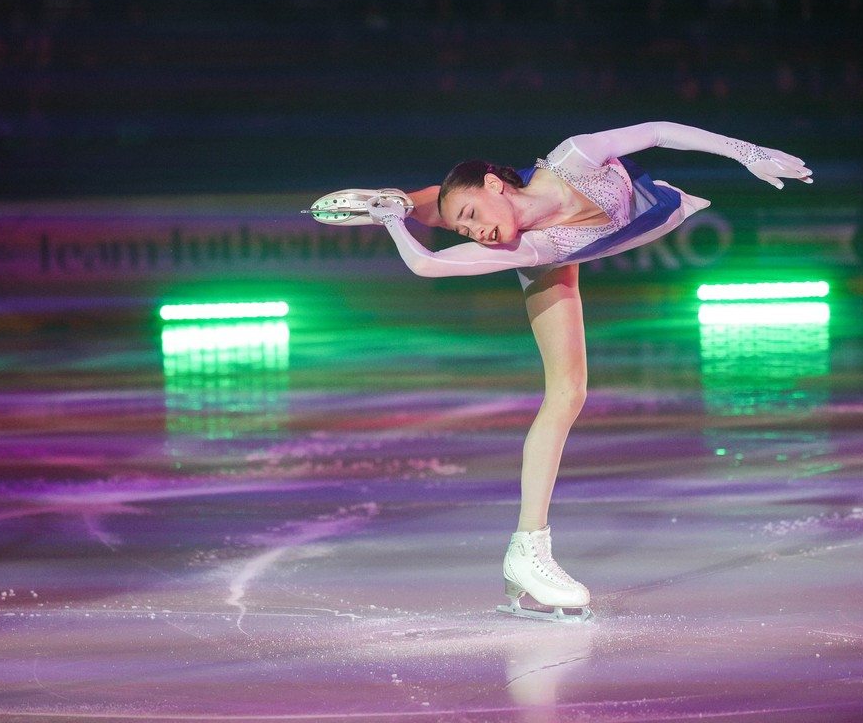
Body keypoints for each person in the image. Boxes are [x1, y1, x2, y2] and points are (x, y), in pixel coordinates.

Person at [306, 121, 813, 621]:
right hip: (554, 249)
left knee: (448, 203)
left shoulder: (576, 157)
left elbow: (660, 131)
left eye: (472, 217)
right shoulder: (527, 246)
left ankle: (397, 200)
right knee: (567, 392)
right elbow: (426, 265)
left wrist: (748, 152)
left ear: (495, 184)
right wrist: (394, 223)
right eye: (465, 230)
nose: (475, 231)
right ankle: (528, 549)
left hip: (586, 209)